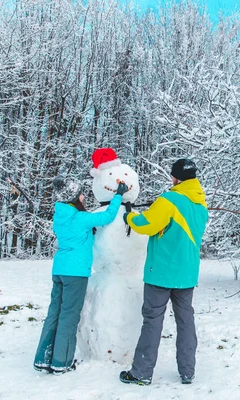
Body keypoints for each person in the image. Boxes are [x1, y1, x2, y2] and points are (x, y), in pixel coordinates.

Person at [120, 159, 208, 386]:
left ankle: (141, 373)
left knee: (152, 321)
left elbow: (147, 225)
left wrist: (129, 216)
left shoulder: (169, 200)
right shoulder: (200, 205)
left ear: (176, 178)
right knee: (186, 321)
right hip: (187, 274)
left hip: (161, 273)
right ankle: (188, 371)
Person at [33, 175, 129, 374]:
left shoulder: (60, 216)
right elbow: (108, 216)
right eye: (80, 194)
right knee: (69, 315)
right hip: (75, 273)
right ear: (73, 198)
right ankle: (61, 362)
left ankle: (43, 357)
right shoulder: (80, 218)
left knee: (54, 313)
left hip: (59, 269)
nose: (84, 196)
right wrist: (118, 195)